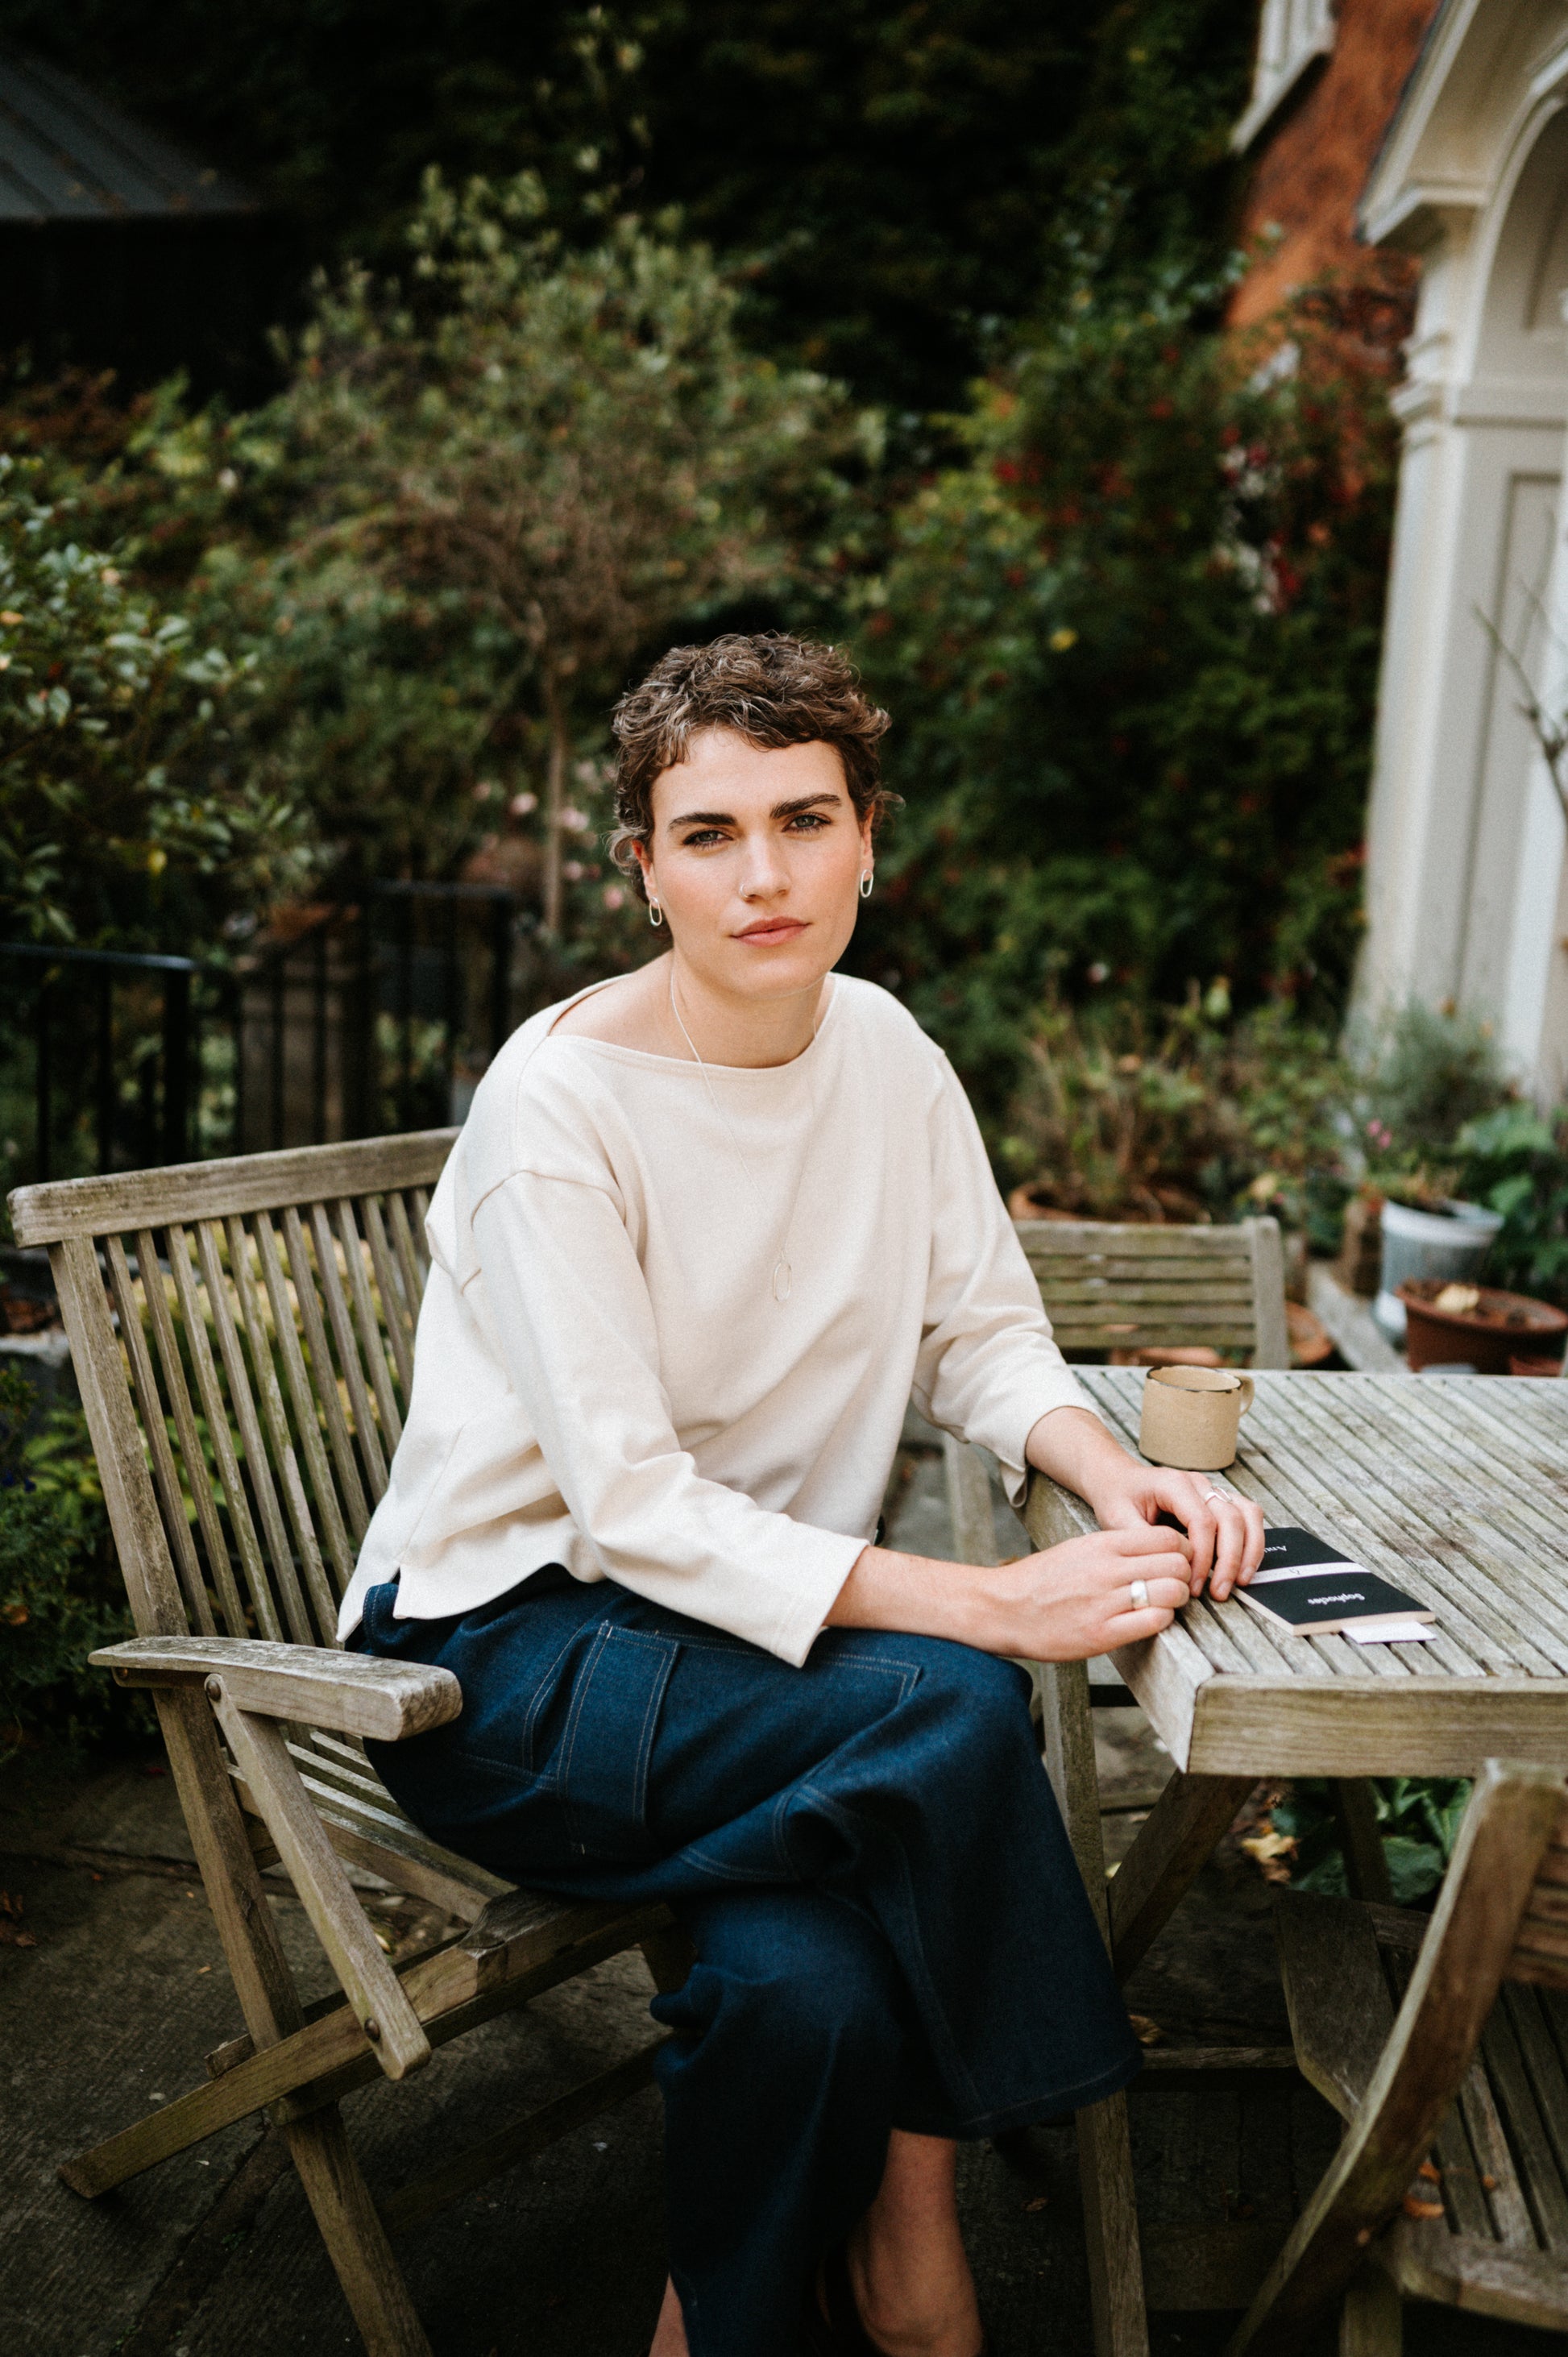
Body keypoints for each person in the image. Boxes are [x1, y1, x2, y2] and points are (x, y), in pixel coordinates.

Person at [340, 633, 1265, 2357]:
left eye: (802, 818)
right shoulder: (560, 1107)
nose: (761, 874)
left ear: (866, 840)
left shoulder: (891, 1052)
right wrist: (990, 1599)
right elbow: (628, 1508)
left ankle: (711, 2320)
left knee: (807, 1979)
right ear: (640, 866)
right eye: (706, 832)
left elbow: (981, 1330)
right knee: (956, 1703)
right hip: (506, 1669)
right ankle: (923, 2224)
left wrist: (1106, 1464)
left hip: (752, 1677)